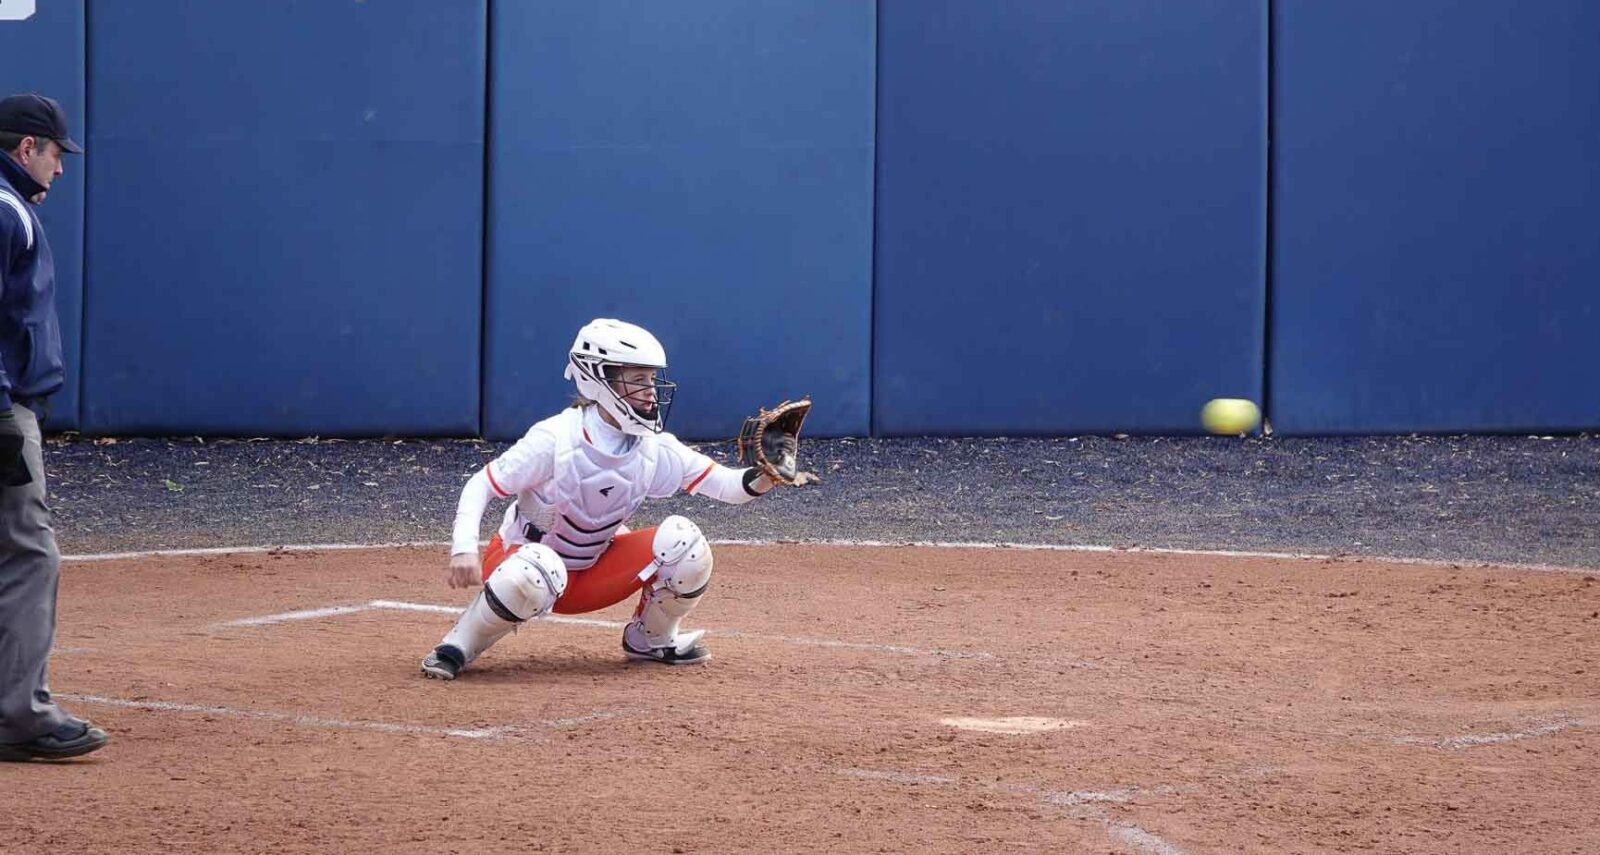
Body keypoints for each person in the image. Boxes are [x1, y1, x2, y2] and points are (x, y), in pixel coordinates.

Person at [421, 318, 804, 678]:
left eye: (652, 381)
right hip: (519, 565)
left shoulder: (653, 448)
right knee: (535, 567)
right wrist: (462, 549)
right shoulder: (554, 439)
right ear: (597, 380)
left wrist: (768, 475)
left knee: (684, 541)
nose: (651, 392)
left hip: (592, 574)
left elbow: (728, 487)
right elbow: (482, 484)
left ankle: (651, 640)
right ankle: (456, 646)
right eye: (638, 380)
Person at [0, 93, 108, 761]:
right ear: (24, 150)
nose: (60, 168)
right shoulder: (7, 210)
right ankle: (20, 713)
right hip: (4, 408)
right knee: (28, 553)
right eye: (52, 154)